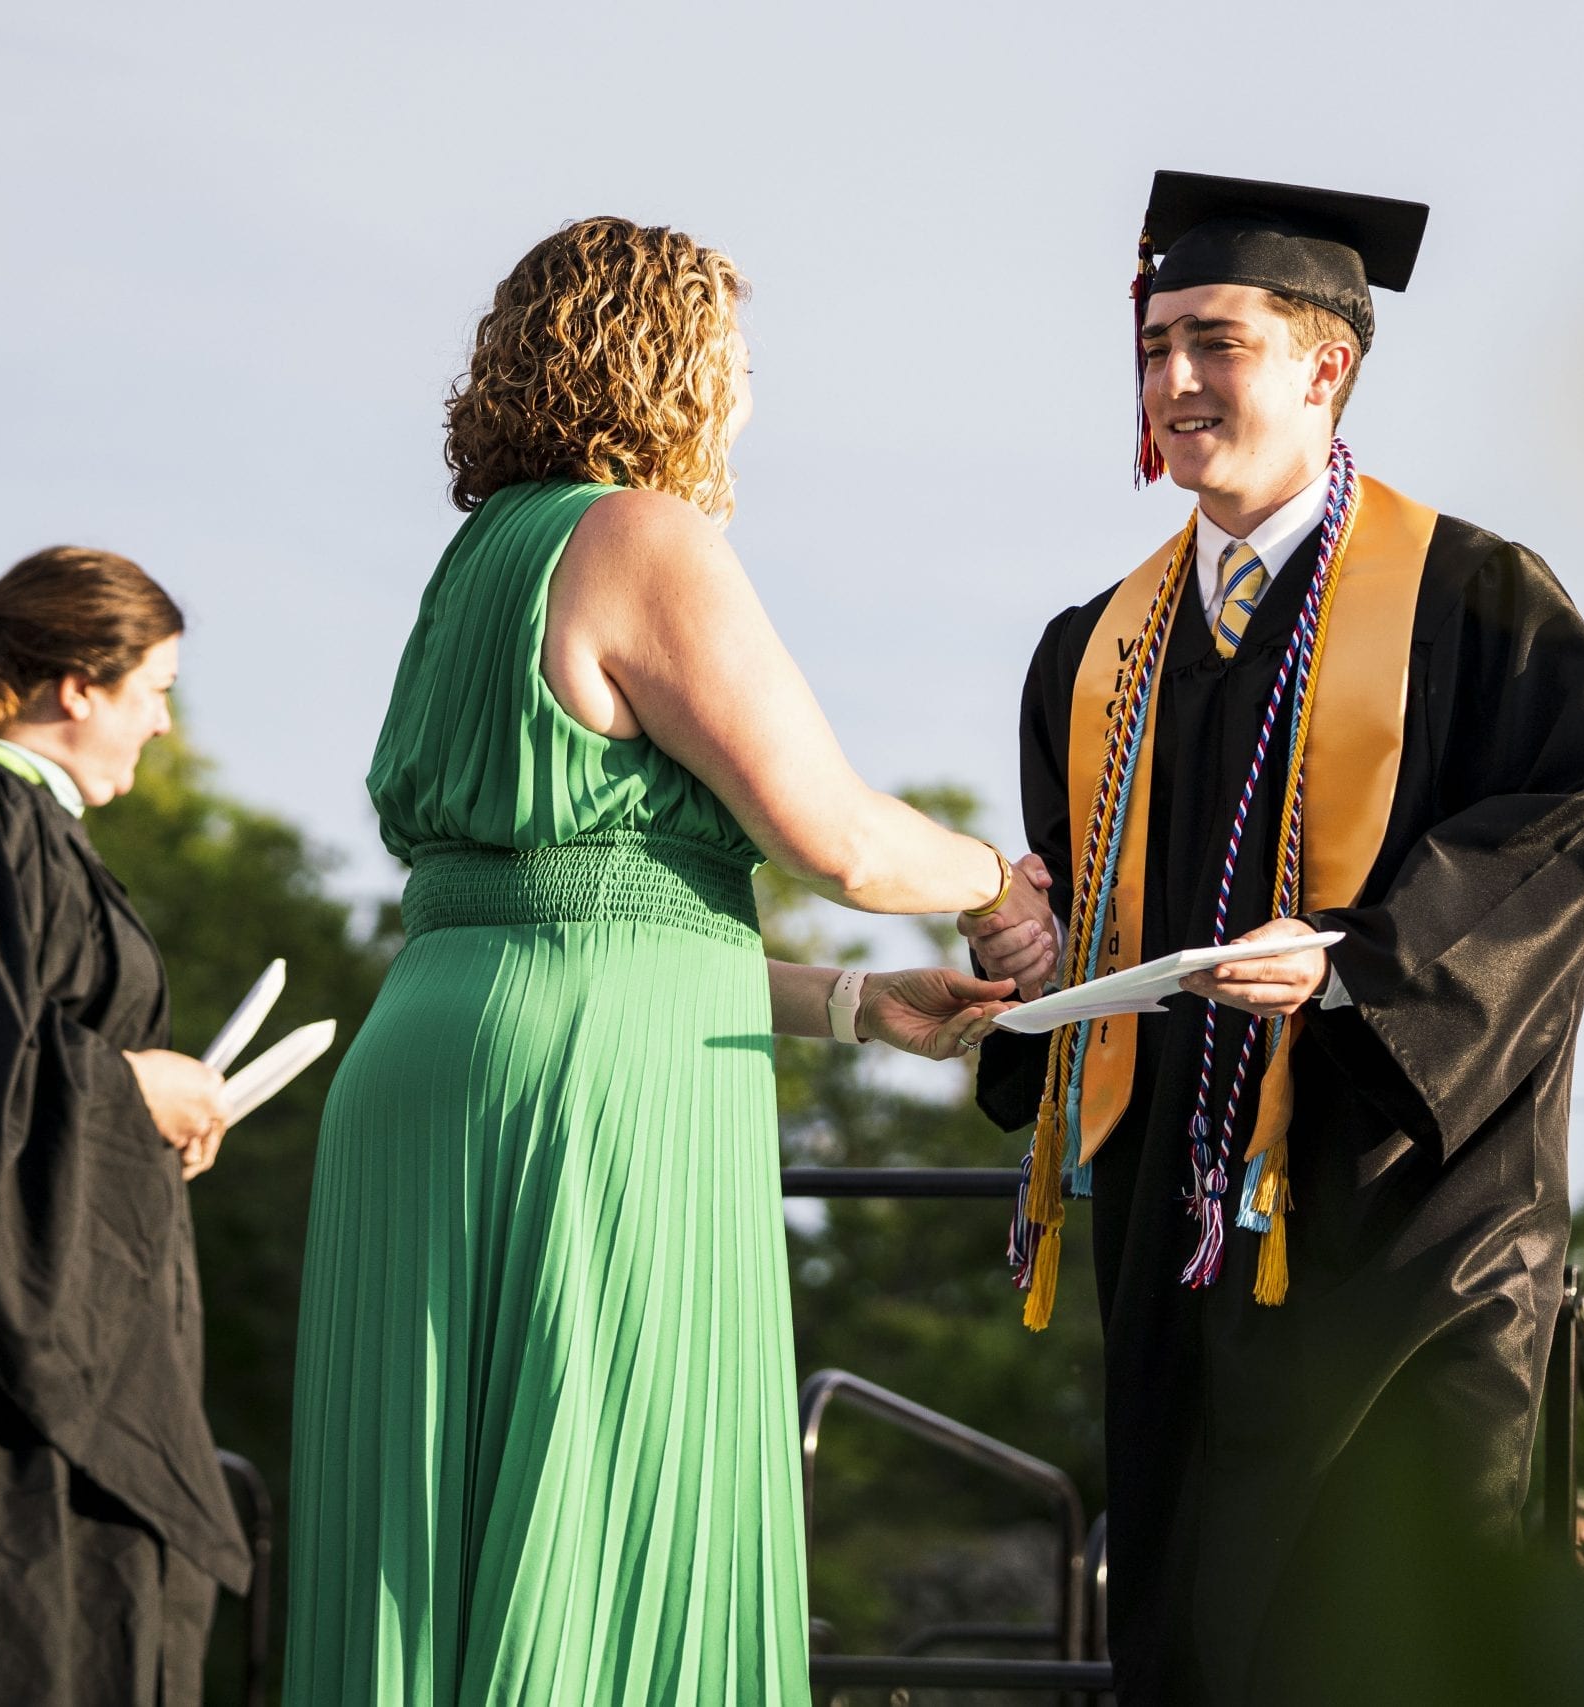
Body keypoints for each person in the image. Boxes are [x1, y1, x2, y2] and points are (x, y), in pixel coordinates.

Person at [284, 216, 1056, 1705]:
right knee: (610, 1495)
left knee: (437, 1531)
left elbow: (577, 906)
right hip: (587, 1096)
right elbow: (833, 834)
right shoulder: (642, 537)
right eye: (741, 358)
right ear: (678, 362)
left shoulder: (471, 569)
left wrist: (848, 1003)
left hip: (436, 1058)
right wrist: (992, 885)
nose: (751, 394)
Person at [966, 171, 1584, 1705]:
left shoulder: (1475, 603)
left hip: (1414, 1245)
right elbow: (1085, 930)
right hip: (1181, 1254)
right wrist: (1031, 945)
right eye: (1153, 349)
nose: (1175, 382)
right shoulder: (1090, 654)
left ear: (1327, 363)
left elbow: (1566, 822)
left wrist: (1354, 964)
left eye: (1217, 340)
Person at [0, 549, 249, 1706]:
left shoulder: (11, 823)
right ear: (79, 685)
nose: (163, 725)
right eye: (156, 689)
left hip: (28, 1401)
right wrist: (137, 1093)